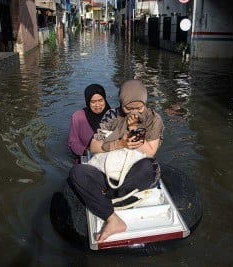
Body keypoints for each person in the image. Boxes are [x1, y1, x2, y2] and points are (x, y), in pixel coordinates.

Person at [69, 79, 164, 242]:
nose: (134, 112)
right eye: (129, 108)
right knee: (77, 172)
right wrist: (120, 143)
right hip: (109, 169)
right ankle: (113, 218)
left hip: (134, 171)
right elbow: (94, 146)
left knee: (149, 167)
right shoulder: (111, 115)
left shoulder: (154, 120)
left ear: (145, 103)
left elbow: (150, 153)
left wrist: (134, 129)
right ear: (121, 103)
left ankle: (107, 195)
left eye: (139, 108)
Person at [68, 84, 111, 162]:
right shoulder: (78, 117)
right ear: (88, 102)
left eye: (100, 100)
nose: (97, 105)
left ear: (105, 99)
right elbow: (72, 142)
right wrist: (87, 151)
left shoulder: (112, 116)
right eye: (93, 102)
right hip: (87, 157)